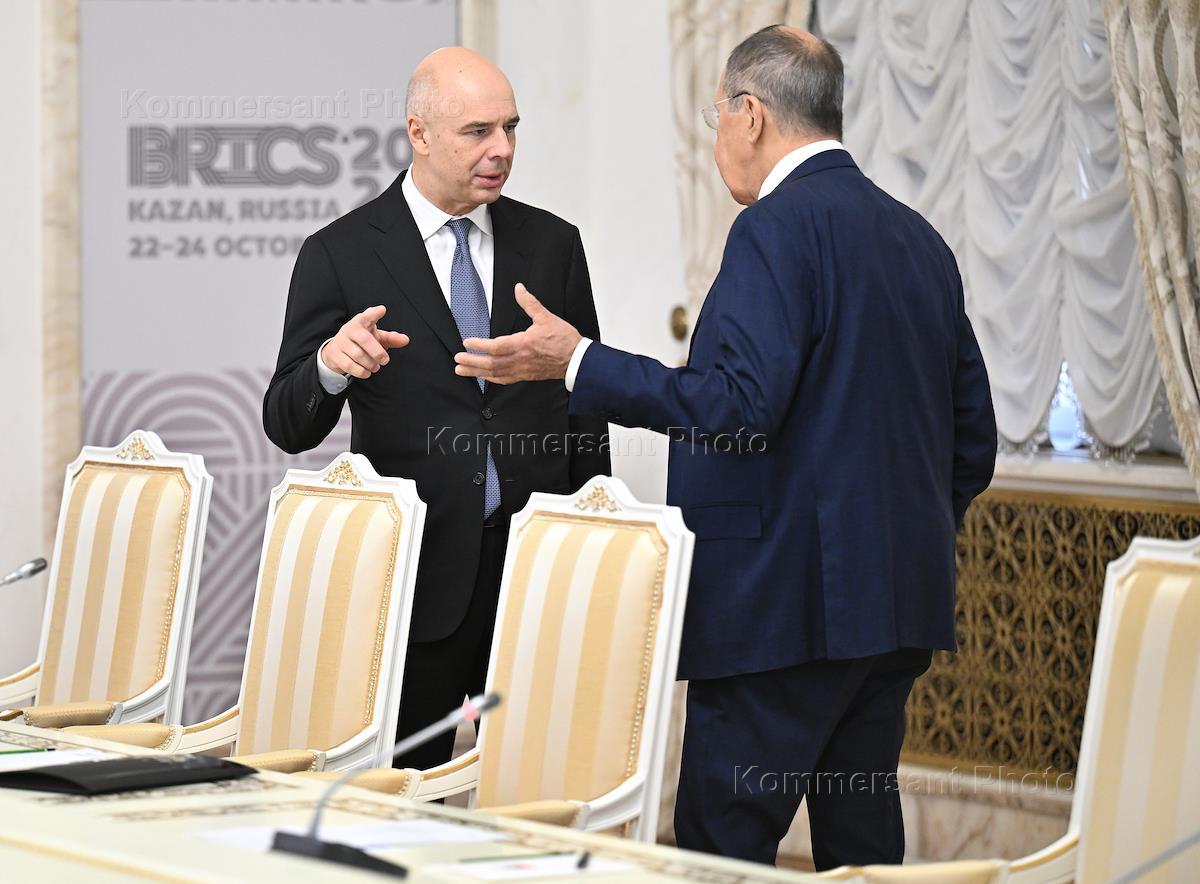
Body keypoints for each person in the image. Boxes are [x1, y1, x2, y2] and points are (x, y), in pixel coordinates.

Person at [452, 26, 997, 870]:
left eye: (715, 121)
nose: (715, 145)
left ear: (750, 115)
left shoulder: (773, 230)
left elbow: (738, 405)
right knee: (861, 851)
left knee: (720, 852)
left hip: (778, 613)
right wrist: (892, 537)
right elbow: (974, 441)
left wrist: (580, 361)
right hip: (893, 609)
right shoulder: (918, 239)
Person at [263, 47, 610, 770]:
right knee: (402, 796)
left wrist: (588, 544)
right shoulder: (341, 253)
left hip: (536, 578)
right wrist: (330, 366)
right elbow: (287, 421)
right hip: (412, 587)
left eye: (510, 128)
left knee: (535, 791)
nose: (502, 150)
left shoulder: (554, 244)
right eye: (478, 131)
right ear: (418, 133)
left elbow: (585, 408)